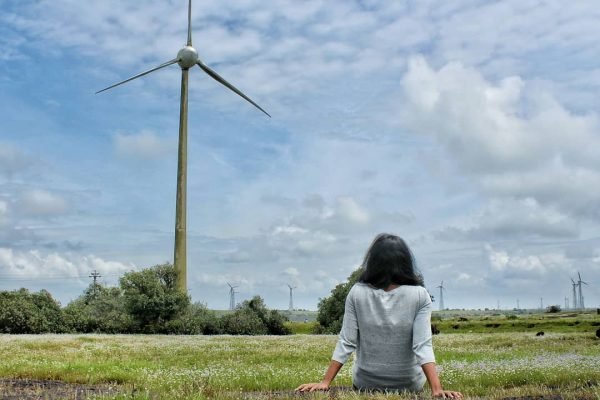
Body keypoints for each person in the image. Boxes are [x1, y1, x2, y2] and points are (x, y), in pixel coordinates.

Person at [296, 233, 462, 398]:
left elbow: (346, 341)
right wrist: (436, 389)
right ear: (405, 262)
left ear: (373, 262)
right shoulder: (420, 295)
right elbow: (422, 345)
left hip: (366, 383)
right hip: (409, 384)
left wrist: (325, 382)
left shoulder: (357, 292)